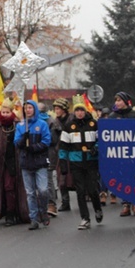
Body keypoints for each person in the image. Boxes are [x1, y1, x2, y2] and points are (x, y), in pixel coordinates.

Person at [59, 101, 103, 230]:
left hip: (91, 161)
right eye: (77, 110)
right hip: (76, 162)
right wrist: (63, 163)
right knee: (80, 191)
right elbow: (63, 146)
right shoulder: (69, 126)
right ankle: (85, 218)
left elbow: (101, 139)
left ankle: (97, 208)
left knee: (92, 189)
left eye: (82, 110)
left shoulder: (93, 124)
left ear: (86, 111)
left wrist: (96, 147)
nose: (79, 113)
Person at [0, 99, 29, 226]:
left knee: (10, 187)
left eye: (7, 112)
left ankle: (11, 213)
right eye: (3, 112)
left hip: (13, 161)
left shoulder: (18, 124)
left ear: (11, 112)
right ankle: (0, 209)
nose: (4, 114)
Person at [14, 100, 52, 230]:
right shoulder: (21, 125)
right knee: (30, 192)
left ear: (34, 109)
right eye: (25, 108)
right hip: (26, 162)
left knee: (42, 190)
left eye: (30, 107)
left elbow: (47, 141)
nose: (28, 110)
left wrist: (34, 148)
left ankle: (43, 211)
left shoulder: (42, 124)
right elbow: (16, 143)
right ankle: (34, 218)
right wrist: (22, 140)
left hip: (39, 161)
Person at [109, 91, 135, 216]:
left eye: (119, 100)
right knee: (124, 178)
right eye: (116, 100)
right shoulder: (112, 116)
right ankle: (125, 204)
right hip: (120, 152)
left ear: (125, 101)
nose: (117, 103)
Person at [50, 98, 74, 212]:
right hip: (61, 153)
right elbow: (53, 140)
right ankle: (65, 202)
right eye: (55, 108)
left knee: (75, 178)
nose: (56, 111)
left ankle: (82, 199)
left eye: (58, 108)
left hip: (73, 152)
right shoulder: (55, 122)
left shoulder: (72, 119)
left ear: (64, 109)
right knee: (62, 179)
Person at [38, 102, 59, 217]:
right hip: (35, 155)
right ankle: (40, 204)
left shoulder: (51, 122)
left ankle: (51, 204)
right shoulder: (29, 122)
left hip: (48, 153)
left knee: (49, 180)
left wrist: (39, 139)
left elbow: (53, 140)